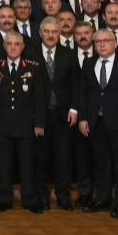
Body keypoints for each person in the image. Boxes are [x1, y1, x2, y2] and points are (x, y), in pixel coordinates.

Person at [77, 29, 118, 218]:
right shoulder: (89, 64)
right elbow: (83, 94)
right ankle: (102, 199)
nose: (102, 44)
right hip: (96, 123)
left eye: (106, 40)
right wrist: (83, 118)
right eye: (98, 41)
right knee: (101, 164)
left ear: (115, 43)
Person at [0, 32, 46, 213]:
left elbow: (39, 99)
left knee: (27, 165)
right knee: (3, 166)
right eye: (10, 44)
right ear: (4, 46)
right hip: (2, 125)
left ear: (22, 47)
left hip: (26, 125)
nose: (13, 47)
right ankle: (4, 200)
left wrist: (39, 123)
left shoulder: (33, 68)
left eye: (17, 44)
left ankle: (30, 199)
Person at [33, 16, 80, 210]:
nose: (51, 35)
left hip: (63, 115)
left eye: (54, 32)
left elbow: (76, 84)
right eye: (47, 31)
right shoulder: (31, 53)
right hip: (40, 115)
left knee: (63, 158)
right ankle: (41, 196)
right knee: (41, 158)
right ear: (40, 33)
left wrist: (74, 108)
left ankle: (63, 196)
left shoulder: (69, 54)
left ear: (60, 33)